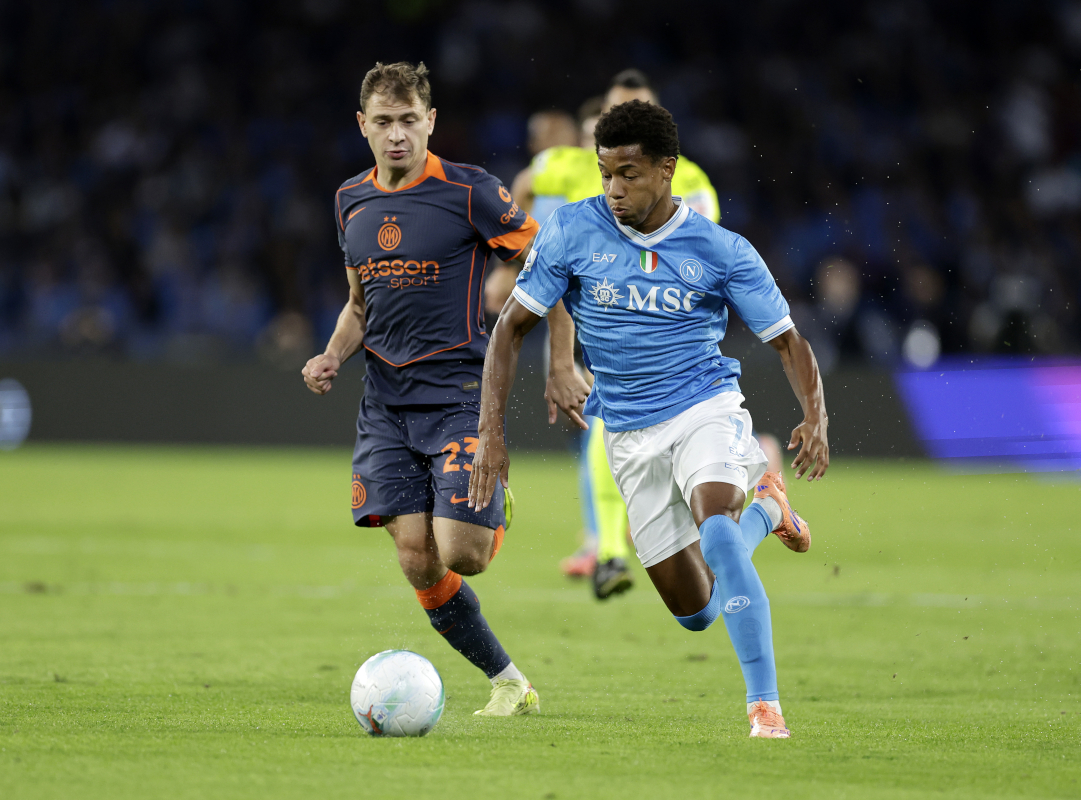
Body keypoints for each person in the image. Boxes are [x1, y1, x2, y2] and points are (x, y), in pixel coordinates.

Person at [468, 100, 830, 738]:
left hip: (703, 408)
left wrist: (815, 417)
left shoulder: (720, 249)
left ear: (667, 170)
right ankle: (770, 508)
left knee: (716, 529)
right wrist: (491, 434)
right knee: (696, 612)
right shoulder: (572, 230)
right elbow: (509, 329)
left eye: (628, 174)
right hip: (628, 432)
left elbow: (787, 340)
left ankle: (764, 706)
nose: (613, 189)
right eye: (606, 173)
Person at [302, 62, 553, 717]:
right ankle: (508, 682)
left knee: (463, 557)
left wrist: (562, 360)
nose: (396, 135)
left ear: (430, 122)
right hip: (384, 407)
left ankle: (493, 505)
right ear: (362, 126)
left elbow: (545, 261)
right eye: (383, 122)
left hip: (459, 401)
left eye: (409, 121)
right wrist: (330, 355)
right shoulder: (349, 201)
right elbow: (359, 304)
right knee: (418, 560)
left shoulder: (469, 192)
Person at [487, 70, 723, 599]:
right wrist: (511, 261)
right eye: (615, 111)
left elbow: (710, 257)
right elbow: (521, 186)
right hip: (601, 334)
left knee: (671, 446)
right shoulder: (572, 165)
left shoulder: (689, 181)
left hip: (672, 339)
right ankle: (611, 549)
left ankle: (741, 505)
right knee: (606, 421)